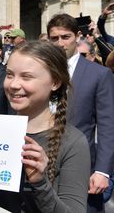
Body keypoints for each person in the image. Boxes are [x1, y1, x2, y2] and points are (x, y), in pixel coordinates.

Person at [0, 41, 90, 212]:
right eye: (9, 75)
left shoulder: (73, 142)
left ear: (55, 82)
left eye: (26, 77)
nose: (14, 85)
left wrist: (40, 182)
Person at [47, 13, 114, 213]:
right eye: (54, 38)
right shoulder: (40, 70)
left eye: (65, 37)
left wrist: (103, 171)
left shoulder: (99, 74)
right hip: (41, 166)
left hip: (82, 167)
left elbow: (107, 126)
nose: (60, 43)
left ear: (77, 36)